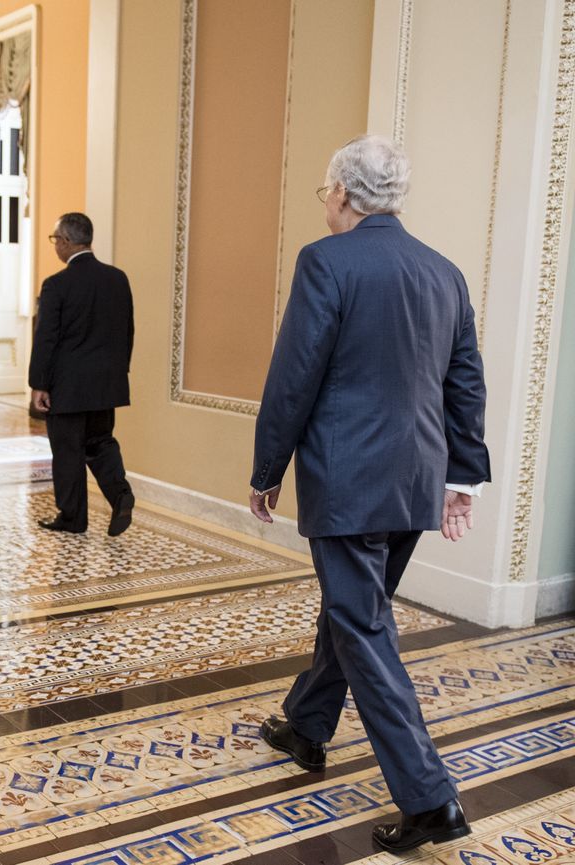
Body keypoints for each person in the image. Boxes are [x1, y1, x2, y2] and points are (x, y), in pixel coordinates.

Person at [248, 135, 489, 853]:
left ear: (346, 195)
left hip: (348, 479)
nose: (324, 201)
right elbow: (465, 382)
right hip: (415, 479)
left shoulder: (326, 261)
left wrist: (268, 467)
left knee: (363, 625)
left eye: (325, 190)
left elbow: (296, 374)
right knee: (357, 611)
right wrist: (461, 476)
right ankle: (306, 725)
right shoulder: (442, 271)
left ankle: (430, 798)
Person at [28, 212, 135, 536]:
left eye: (55, 240)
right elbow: (127, 331)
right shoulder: (117, 279)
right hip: (106, 384)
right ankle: (121, 494)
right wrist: (118, 373)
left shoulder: (57, 285)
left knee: (68, 452)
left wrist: (38, 385)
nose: (55, 246)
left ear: (65, 242)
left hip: (68, 387)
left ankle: (73, 518)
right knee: (101, 443)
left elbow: (46, 338)